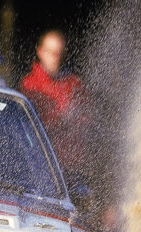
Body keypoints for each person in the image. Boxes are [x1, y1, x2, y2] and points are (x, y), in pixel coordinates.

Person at [20, 30, 89, 186]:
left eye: (58, 52)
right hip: (41, 164)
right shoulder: (29, 85)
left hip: (71, 163)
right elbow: (27, 126)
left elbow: (87, 118)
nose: (54, 57)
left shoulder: (74, 84)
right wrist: (61, 122)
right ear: (40, 52)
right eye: (50, 52)